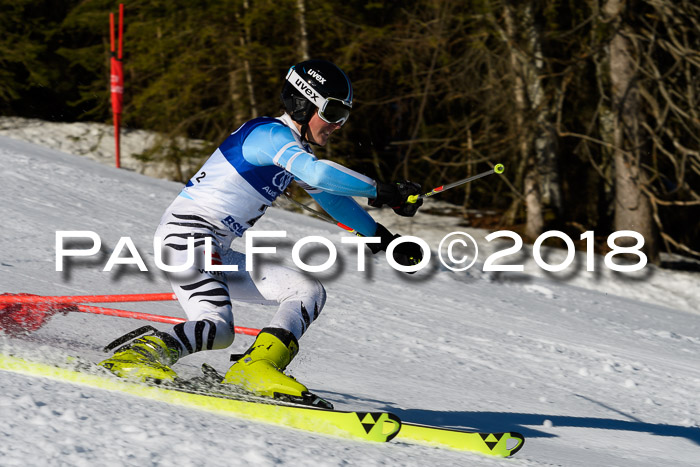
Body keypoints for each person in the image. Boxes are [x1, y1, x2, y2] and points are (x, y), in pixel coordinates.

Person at [99, 59, 424, 403]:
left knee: (306, 290)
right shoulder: (268, 135)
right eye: (332, 112)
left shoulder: (292, 151)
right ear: (303, 102)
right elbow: (318, 175)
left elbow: (332, 198)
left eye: (344, 116)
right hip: (187, 237)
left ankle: (256, 366)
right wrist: (382, 190)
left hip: (214, 247)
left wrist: (382, 238)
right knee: (218, 328)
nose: (337, 125)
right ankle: (137, 357)